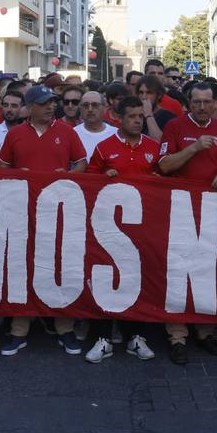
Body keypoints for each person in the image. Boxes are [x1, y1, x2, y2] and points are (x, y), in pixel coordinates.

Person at [0, 84, 87, 356]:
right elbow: (2, 168)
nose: (51, 106)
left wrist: (69, 177)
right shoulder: (15, 134)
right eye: (45, 102)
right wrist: (18, 175)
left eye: (52, 102)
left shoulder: (67, 132)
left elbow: (81, 163)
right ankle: (19, 331)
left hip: (58, 212)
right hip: (23, 214)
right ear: (30, 108)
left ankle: (64, 328)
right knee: (22, 268)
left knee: (60, 267)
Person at [157, 81, 217, 364]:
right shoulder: (175, 127)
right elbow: (164, 166)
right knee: (177, 272)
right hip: (179, 209)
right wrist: (194, 148)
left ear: (215, 103)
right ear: (189, 103)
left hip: (212, 210)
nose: (202, 107)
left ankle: (205, 330)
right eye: (197, 102)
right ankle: (177, 335)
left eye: (207, 102)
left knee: (206, 271)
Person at [81, 96, 160, 364]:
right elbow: (89, 183)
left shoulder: (154, 147)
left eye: (140, 117)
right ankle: (103, 338)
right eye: (132, 117)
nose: (137, 121)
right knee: (105, 278)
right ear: (119, 118)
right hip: (109, 228)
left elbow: (164, 181)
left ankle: (135, 337)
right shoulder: (104, 148)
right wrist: (103, 178)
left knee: (139, 279)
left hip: (144, 227)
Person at [73, 91, 115, 159]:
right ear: (80, 109)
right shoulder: (72, 134)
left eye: (95, 105)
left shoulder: (116, 134)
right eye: (85, 105)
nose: (90, 109)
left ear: (104, 108)